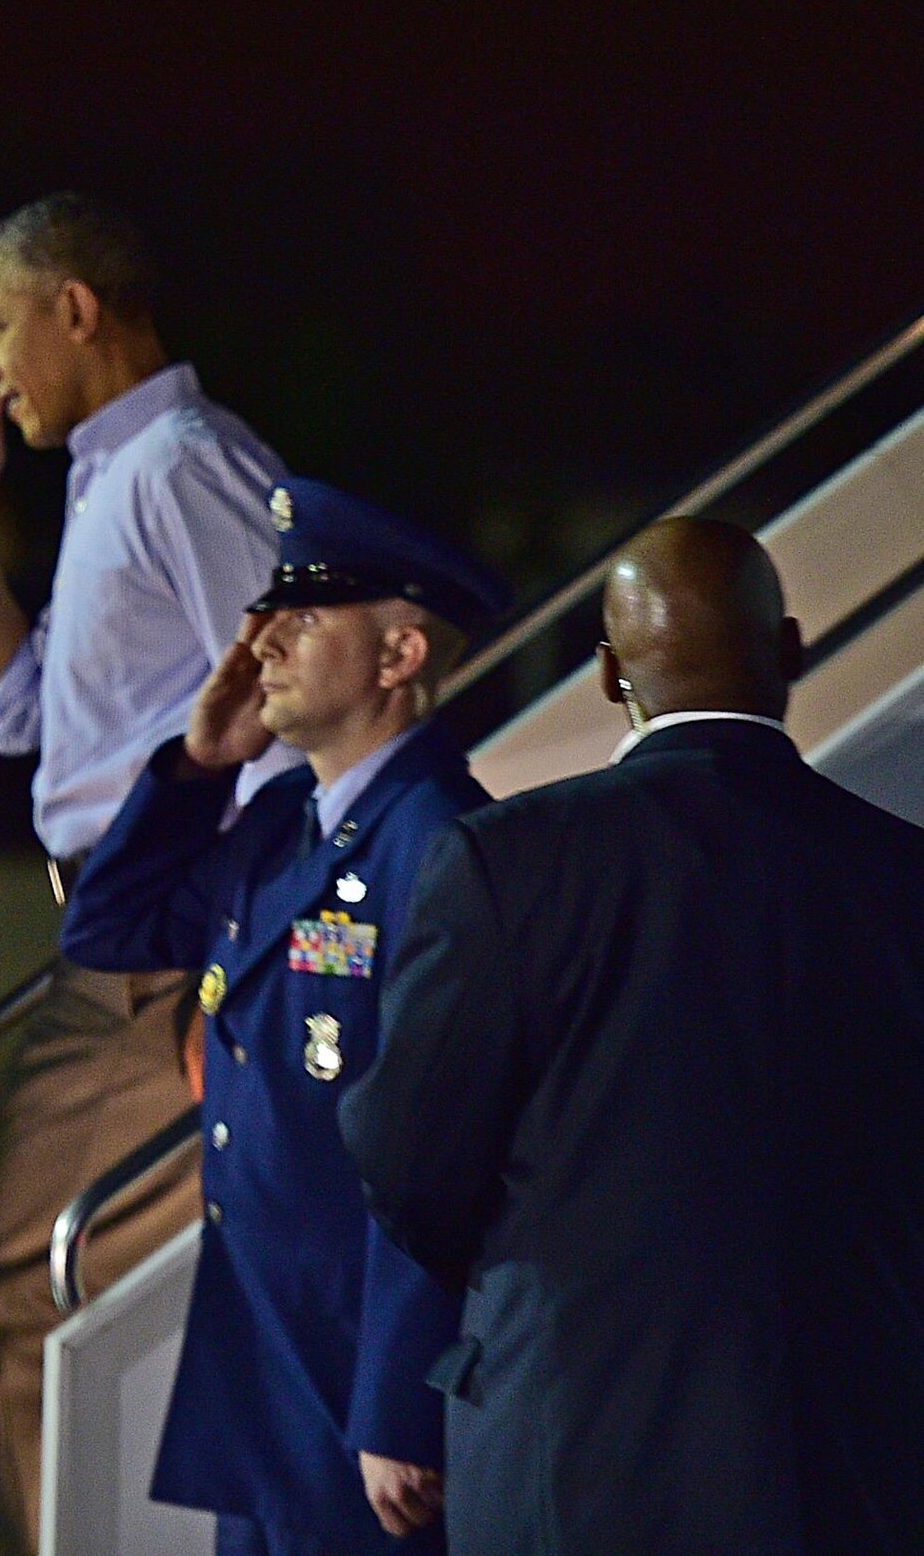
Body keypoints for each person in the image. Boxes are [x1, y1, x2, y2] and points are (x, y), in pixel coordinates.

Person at [341, 517, 924, 1556]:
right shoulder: (899, 872)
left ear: (610, 673)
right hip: (851, 1457)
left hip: (578, 1448)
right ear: (788, 649)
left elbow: (404, 1158)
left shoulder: (507, 861)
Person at [0, 191, 292, 1556]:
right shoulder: (111, 473)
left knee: (5, 1319)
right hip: (116, 936)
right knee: (44, 1323)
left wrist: (226, 969)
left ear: (76, 308)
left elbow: (293, 713)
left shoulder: (183, 461)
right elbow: (14, 709)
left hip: (160, 963)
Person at [60, 475, 508, 1556]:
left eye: (302, 618)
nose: (259, 641)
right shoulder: (274, 822)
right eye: (266, 612)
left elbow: (443, 1144)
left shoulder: (444, 843)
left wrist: (401, 1399)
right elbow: (106, 930)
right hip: (262, 1364)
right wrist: (192, 768)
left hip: (359, 1385)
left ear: (399, 657)